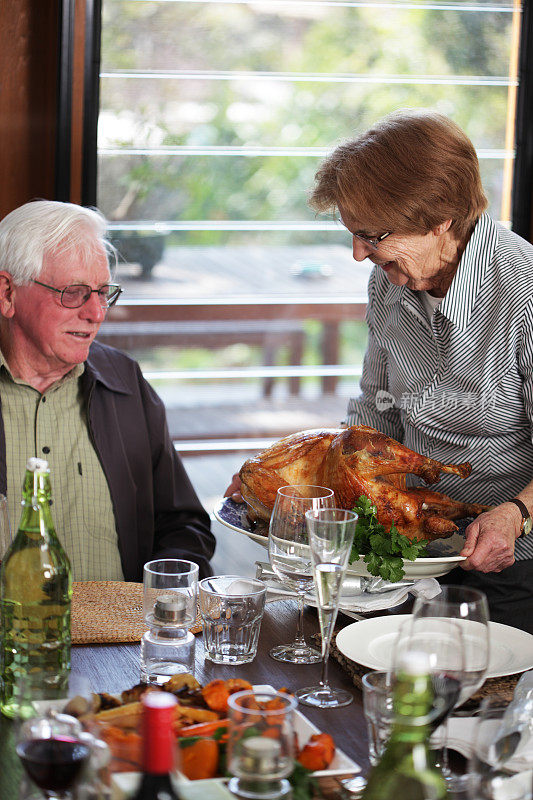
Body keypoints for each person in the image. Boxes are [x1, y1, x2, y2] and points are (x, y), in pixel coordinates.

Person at [226, 109, 533, 632]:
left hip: (510, 562)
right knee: (316, 645)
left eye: (370, 236)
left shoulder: (522, 294)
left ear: (440, 219)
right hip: (404, 548)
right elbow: (375, 416)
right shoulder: (390, 282)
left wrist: (516, 515)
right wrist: (292, 483)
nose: (356, 254)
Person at [0, 200, 215, 581]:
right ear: (7, 294)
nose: (96, 313)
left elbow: (183, 525)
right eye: (74, 292)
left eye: (103, 292)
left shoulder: (125, 380)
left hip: (123, 639)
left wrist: (160, 600)